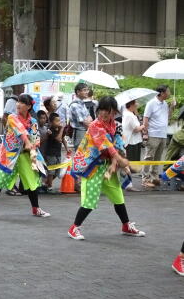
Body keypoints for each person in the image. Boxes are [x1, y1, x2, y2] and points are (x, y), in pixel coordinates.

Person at [67, 96, 146, 241]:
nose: (104, 113)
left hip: (108, 166)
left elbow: (119, 144)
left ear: (114, 112)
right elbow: (106, 146)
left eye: (108, 111)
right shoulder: (95, 125)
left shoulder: (115, 125)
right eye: (102, 110)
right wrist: (121, 160)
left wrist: (120, 160)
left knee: (118, 197)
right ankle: (74, 228)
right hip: (92, 167)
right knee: (89, 200)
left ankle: (126, 225)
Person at [0, 94, 50, 219]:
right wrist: (27, 142)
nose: (18, 104)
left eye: (22, 102)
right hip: (9, 155)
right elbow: (20, 130)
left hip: (26, 155)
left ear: (28, 106)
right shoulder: (12, 117)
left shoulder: (33, 121)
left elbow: (36, 137)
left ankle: (36, 208)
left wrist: (33, 145)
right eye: (18, 101)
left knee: (31, 181)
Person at [142, 84, 176, 188]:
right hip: (153, 134)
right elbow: (145, 119)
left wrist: (171, 107)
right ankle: (145, 179)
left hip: (162, 134)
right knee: (149, 157)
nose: (169, 93)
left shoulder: (165, 103)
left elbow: (167, 117)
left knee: (157, 157)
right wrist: (145, 133)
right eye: (168, 91)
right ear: (161, 93)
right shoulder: (151, 103)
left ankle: (154, 177)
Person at [44, 113, 70, 189]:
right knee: (51, 171)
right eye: (57, 121)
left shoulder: (59, 129)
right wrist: (62, 129)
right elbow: (58, 139)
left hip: (58, 153)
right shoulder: (50, 130)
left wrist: (67, 148)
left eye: (59, 120)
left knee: (57, 171)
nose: (59, 122)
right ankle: (49, 186)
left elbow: (63, 139)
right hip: (51, 153)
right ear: (51, 122)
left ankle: (46, 183)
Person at [69, 83, 93, 150]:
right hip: (80, 132)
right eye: (84, 90)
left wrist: (88, 120)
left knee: (85, 154)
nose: (87, 92)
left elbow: (90, 118)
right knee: (80, 154)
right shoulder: (75, 105)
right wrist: (88, 121)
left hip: (85, 131)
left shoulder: (82, 103)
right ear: (78, 92)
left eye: (87, 90)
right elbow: (84, 122)